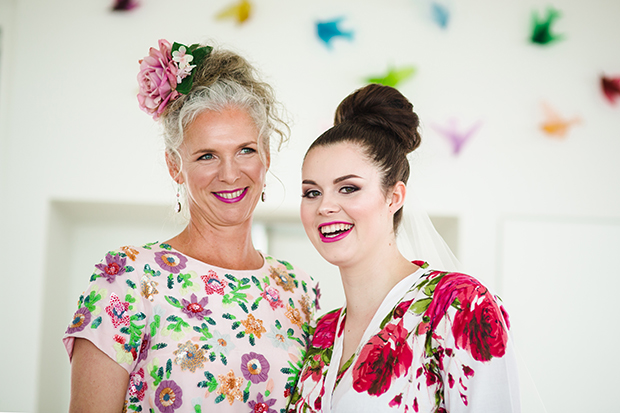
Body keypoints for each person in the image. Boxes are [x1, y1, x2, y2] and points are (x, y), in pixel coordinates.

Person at [63, 39, 318, 413]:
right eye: (207, 155)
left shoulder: (299, 290)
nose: (230, 174)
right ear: (174, 164)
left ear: (266, 153)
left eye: (245, 150)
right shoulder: (128, 278)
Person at [288, 84, 519, 412]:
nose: (325, 206)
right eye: (312, 192)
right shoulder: (321, 334)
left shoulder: (459, 306)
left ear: (394, 197)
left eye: (348, 188)